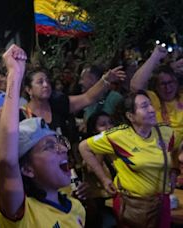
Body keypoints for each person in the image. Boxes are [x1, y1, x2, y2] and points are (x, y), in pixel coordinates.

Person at [0, 45, 86, 227]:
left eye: (58, 143)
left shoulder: (76, 207)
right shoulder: (22, 212)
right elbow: (6, 161)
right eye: (49, 146)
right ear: (27, 169)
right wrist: (15, 74)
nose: (62, 149)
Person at [79, 90, 180, 227]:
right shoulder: (118, 136)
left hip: (162, 202)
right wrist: (104, 179)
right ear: (130, 116)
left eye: (151, 104)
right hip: (132, 205)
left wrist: (174, 170)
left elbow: (176, 149)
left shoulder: (166, 133)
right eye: (144, 106)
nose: (151, 110)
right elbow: (84, 147)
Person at [20, 66, 125, 139]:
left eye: (47, 81)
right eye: (40, 82)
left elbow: (87, 98)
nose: (46, 85)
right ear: (29, 90)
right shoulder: (22, 115)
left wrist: (105, 80)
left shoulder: (58, 104)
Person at [131, 45, 183, 148]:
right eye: (163, 84)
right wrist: (154, 57)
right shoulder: (153, 100)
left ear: (176, 82)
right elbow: (135, 86)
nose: (168, 88)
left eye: (170, 82)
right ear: (156, 86)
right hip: (163, 151)